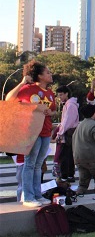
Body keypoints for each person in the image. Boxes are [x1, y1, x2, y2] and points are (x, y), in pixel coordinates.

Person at [6, 60, 57, 208]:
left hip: (46, 131)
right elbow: (9, 99)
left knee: (38, 165)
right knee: (29, 164)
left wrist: (50, 112)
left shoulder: (50, 93)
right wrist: (22, 83)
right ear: (39, 75)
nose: (50, 74)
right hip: (31, 131)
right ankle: (28, 196)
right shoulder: (28, 89)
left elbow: (53, 111)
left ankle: (37, 195)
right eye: (47, 72)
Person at [55, 85, 79, 183]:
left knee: (64, 155)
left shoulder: (70, 105)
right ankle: (69, 175)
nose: (59, 97)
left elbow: (67, 121)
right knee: (68, 154)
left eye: (61, 95)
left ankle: (65, 175)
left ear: (66, 94)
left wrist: (60, 132)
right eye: (58, 95)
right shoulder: (69, 104)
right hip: (69, 132)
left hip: (67, 133)